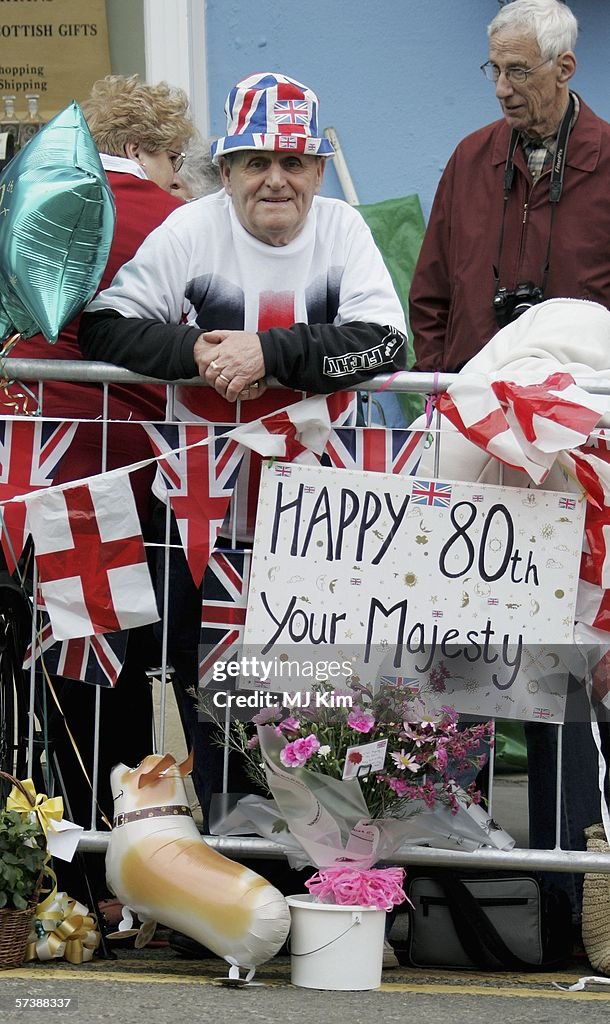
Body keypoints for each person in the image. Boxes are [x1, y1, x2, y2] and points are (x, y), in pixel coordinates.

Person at [78, 70, 407, 830]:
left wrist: (269, 352)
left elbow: (384, 340)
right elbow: (107, 326)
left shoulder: (343, 229)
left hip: (317, 511)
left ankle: (325, 863)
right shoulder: (190, 228)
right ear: (224, 172)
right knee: (214, 685)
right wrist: (196, 350)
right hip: (205, 510)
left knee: (319, 686)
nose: (276, 180)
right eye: (256, 162)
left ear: (319, 171)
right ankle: (231, 850)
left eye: (293, 162)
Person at [408, 0, 610, 938]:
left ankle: (573, 896)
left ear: (566, 69)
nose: (501, 88)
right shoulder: (469, 157)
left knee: (567, 672)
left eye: (519, 71)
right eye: (494, 69)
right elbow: (432, 295)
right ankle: (451, 886)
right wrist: (440, 398)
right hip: (473, 452)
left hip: (576, 470)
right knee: (461, 662)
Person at [7, 74, 194, 906]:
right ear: (155, 148)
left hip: (31, 452)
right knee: (141, 666)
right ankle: (129, 872)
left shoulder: (35, 200)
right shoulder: (170, 216)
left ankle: (67, 870)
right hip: (128, 464)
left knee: (63, 675)